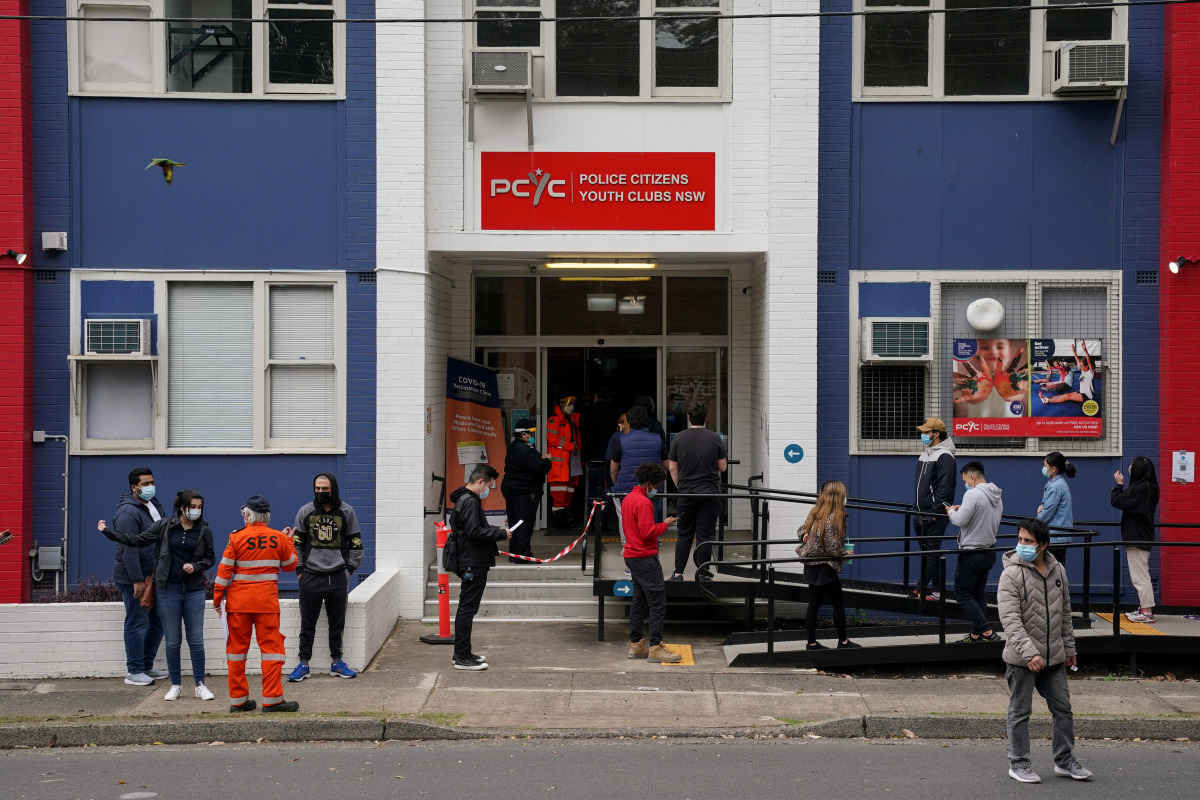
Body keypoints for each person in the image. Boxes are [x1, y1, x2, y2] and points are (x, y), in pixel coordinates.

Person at [98, 490, 217, 701]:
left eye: (199, 507)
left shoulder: (204, 530)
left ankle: (200, 685)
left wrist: (196, 566)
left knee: (196, 640)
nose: (196, 511)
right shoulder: (164, 526)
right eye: (193, 507)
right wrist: (108, 532)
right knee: (172, 641)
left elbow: (210, 559)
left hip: (194, 591)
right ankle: (176, 685)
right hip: (167, 590)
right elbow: (137, 540)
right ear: (181, 507)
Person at [998, 518, 1092, 783]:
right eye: (1020, 539)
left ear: (1043, 545)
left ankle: (1064, 760)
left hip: (1054, 657)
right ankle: (1019, 763)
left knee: (1063, 709)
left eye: (1028, 541)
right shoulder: (1011, 574)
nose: (1022, 545)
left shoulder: (1057, 570)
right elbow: (1010, 620)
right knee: (1020, 713)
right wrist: (1030, 653)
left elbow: (1065, 613)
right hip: (1022, 659)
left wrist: (1069, 648)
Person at [214, 495, 300, 713]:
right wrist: (289, 541)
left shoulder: (236, 537)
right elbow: (290, 565)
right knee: (271, 651)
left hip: (238, 605)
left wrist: (217, 598)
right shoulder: (277, 537)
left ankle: (238, 701)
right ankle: (272, 700)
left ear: (247, 515)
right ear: (267, 516)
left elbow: (224, 570)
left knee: (236, 653)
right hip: (266, 604)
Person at [284, 473, 364, 683]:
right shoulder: (305, 511)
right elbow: (297, 544)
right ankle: (303, 664)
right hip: (310, 576)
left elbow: (355, 542)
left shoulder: (347, 511)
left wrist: (349, 569)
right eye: (317, 488)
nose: (320, 492)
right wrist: (300, 571)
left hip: (338, 576)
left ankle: (337, 662)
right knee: (307, 624)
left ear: (333, 489)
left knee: (337, 623)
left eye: (324, 489)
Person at [448, 465, 512, 670]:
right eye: (489, 486)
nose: (488, 490)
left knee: (466, 608)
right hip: (473, 561)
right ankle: (462, 657)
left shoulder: (462, 499)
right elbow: (473, 531)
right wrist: (500, 534)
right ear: (481, 481)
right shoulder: (470, 502)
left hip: (469, 559)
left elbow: (471, 529)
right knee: (467, 609)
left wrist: (496, 530)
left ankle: (462, 653)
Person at [110, 467, 167, 686]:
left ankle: (145, 666)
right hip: (135, 578)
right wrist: (137, 580)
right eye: (145, 484)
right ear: (134, 487)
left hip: (154, 576)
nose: (150, 487)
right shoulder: (127, 513)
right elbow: (128, 548)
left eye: (152, 482)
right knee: (137, 622)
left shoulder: (153, 505)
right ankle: (133, 671)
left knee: (158, 622)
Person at [623, 462, 683, 664]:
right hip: (645, 556)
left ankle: (636, 644)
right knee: (657, 602)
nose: (656, 489)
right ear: (649, 483)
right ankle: (655, 647)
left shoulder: (628, 498)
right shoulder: (644, 503)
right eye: (656, 485)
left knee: (638, 600)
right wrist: (664, 524)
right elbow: (647, 532)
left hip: (632, 555)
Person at [796, 480, 860, 650]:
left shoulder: (816, 512)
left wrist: (803, 534)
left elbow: (801, 528)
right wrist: (844, 553)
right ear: (837, 497)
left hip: (811, 565)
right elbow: (832, 547)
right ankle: (843, 642)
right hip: (825, 566)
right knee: (838, 603)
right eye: (843, 495)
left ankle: (811, 643)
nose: (846, 497)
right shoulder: (833, 518)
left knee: (814, 604)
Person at [667, 402, 727, 582]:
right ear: (706, 418)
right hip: (710, 493)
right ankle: (703, 574)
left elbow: (672, 467)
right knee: (705, 535)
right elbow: (723, 467)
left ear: (688, 418)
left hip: (686, 493)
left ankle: (678, 574)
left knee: (684, 534)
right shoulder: (715, 438)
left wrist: (680, 486)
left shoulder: (679, 438)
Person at [946, 461, 1003, 643]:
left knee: (962, 594)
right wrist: (962, 509)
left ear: (972, 477)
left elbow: (959, 521)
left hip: (972, 553)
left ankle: (987, 631)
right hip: (989, 551)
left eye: (965, 481)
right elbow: (980, 516)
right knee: (978, 594)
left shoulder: (972, 494)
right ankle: (975, 635)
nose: (966, 484)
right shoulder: (996, 495)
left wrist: (950, 511)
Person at [611, 404, 668, 552]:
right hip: (652, 488)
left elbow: (613, 469)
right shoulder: (657, 439)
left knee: (628, 519)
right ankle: (651, 550)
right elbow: (666, 464)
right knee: (651, 518)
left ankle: (629, 548)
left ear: (629, 422)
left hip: (626, 489)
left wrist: (617, 484)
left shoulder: (621, 440)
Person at [1111, 456, 1160, 623]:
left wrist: (1119, 484)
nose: (1130, 467)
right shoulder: (1152, 488)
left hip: (1137, 536)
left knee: (1139, 576)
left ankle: (1147, 612)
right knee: (1140, 573)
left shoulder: (1140, 489)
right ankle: (1144, 608)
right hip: (1144, 534)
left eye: (1133, 465)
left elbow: (1116, 500)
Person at [912, 418, 956, 601]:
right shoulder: (926, 454)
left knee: (930, 553)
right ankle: (937, 591)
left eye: (926, 432)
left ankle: (919, 589)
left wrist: (935, 513)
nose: (923, 435)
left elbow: (945, 488)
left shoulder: (945, 456)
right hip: (920, 513)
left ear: (936, 434)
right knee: (930, 553)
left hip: (932, 514)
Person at [501, 421, 551, 561]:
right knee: (524, 523)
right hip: (524, 491)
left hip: (512, 489)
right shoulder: (526, 448)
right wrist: (548, 460)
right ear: (523, 434)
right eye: (530, 433)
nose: (531, 435)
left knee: (515, 523)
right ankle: (523, 555)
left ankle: (514, 554)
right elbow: (540, 467)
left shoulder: (513, 447)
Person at [579, 389, 619, 529]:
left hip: (591, 457)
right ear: (608, 399)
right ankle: (602, 521)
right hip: (608, 458)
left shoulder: (586, 413)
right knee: (607, 489)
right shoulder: (614, 413)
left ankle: (590, 520)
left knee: (590, 490)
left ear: (595, 397)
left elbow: (582, 433)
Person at [545, 395, 582, 528]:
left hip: (571, 463)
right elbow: (552, 439)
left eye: (573, 403)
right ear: (561, 404)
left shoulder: (571, 420)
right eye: (569, 403)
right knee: (559, 494)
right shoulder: (554, 420)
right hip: (559, 464)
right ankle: (559, 520)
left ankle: (564, 518)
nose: (572, 406)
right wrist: (570, 446)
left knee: (568, 492)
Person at [1037, 452, 1077, 567]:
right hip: (1058, 536)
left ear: (1053, 469)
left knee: (1052, 570)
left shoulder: (1056, 486)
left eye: (1045, 465)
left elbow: (1047, 512)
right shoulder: (1057, 483)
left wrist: (1034, 523)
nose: (1043, 468)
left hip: (1055, 537)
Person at [1040, 340, 1096, 406]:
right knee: (1066, 395)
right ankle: (1047, 398)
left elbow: (1089, 361)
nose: (1080, 367)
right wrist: (1073, 351)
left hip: (1087, 395)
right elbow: (1077, 360)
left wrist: (1085, 350)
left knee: (1067, 397)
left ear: (1087, 366)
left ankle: (1047, 401)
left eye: (1082, 366)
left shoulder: (1090, 373)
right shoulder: (1083, 371)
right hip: (1081, 392)